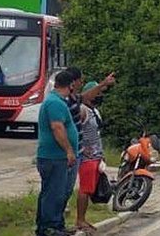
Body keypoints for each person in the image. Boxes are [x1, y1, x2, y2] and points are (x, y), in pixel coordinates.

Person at [36, 69, 79, 236]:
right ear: (70, 85)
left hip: (54, 157)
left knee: (53, 191)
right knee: (54, 193)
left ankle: (55, 224)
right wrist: (69, 150)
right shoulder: (55, 103)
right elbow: (57, 127)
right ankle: (49, 227)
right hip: (54, 157)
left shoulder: (56, 101)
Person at [75, 81, 107, 232]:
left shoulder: (94, 110)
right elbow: (73, 129)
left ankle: (83, 218)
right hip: (87, 157)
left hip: (96, 155)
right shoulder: (83, 110)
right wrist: (80, 147)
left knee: (89, 189)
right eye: (97, 93)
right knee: (85, 189)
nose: (99, 96)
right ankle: (80, 220)